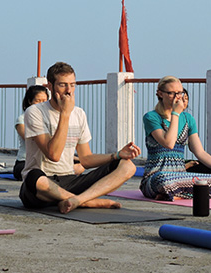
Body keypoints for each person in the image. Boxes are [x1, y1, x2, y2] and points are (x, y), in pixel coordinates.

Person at [19, 62, 141, 214]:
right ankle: (90, 202)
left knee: (128, 166)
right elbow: (53, 155)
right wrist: (65, 113)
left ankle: (77, 200)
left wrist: (116, 155)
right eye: (63, 85)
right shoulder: (35, 112)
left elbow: (86, 159)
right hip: (42, 187)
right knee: (34, 177)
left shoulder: (79, 114)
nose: (68, 91)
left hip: (69, 180)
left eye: (72, 85)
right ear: (50, 86)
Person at [140, 77, 211, 201]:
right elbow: (169, 143)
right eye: (172, 93)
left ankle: (176, 194)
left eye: (180, 93)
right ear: (160, 94)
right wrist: (176, 114)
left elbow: (199, 152)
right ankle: (177, 193)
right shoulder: (151, 117)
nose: (177, 97)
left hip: (181, 176)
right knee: (163, 180)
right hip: (156, 177)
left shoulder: (188, 119)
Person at [13, 85, 84, 181]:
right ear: (30, 101)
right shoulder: (23, 119)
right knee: (36, 174)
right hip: (26, 162)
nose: (41, 104)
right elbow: (38, 141)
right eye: (38, 101)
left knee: (81, 166)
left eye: (44, 100)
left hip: (50, 161)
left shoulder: (51, 118)